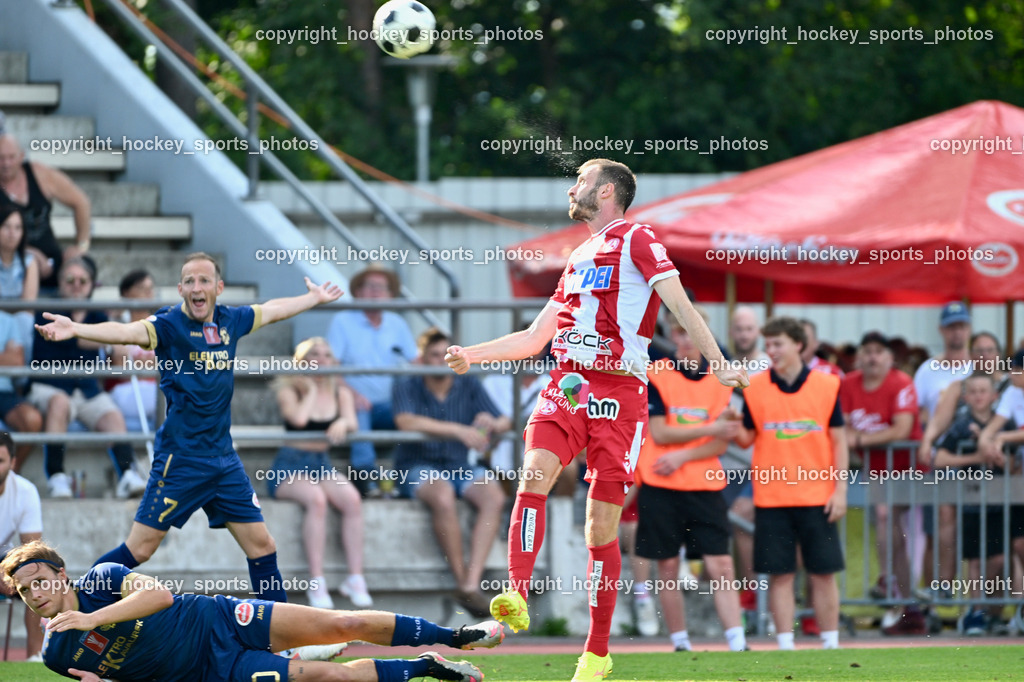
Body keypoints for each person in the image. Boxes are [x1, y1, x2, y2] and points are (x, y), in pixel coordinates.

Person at [445, 158, 747, 681]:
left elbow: (679, 305)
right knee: (533, 473)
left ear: (606, 191)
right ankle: (516, 590)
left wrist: (717, 362)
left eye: (580, 180)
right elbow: (534, 339)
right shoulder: (578, 254)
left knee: (598, 527)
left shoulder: (638, 238)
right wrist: (471, 354)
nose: (572, 187)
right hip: (568, 384)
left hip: (620, 392)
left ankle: (597, 651)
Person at [35, 252, 341, 605]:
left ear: (218, 287)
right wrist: (75, 328)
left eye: (205, 280)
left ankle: (283, 635)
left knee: (263, 546)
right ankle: (72, 607)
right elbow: (126, 331)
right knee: (140, 549)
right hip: (180, 460)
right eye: (190, 281)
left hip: (224, 460)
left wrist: (313, 298)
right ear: (181, 288)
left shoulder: (231, 320)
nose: (197, 287)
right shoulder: (168, 325)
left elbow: (273, 309)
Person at [2, 540, 501, 682]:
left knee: (342, 622)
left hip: (217, 618)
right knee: (327, 677)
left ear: (60, 576)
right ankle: (427, 667)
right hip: (211, 671)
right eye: (24, 592)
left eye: (40, 581)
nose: (36, 593)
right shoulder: (55, 655)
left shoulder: (102, 580)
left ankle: (455, 635)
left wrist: (91, 618)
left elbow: (159, 596)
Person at [634, 306, 747, 652]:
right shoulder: (657, 373)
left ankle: (737, 641)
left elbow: (721, 438)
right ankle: (680, 642)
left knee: (721, 564)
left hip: (703, 482)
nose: (683, 340)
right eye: (678, 333)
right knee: (667, 564)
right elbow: (660, 431)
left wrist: (685, 453)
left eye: (690, 333)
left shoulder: (721, 377)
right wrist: (708, 430)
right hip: (659, 482)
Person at [732, 317, 847, 651]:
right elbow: (746, 438)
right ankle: (785, 646)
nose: (771, 351)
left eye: (778, 344)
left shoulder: (827, 386)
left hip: (817, 495)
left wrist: (840, 490)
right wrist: (729, 425)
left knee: (823, 573)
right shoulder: (755, 386)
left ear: (798, 345)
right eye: (768, 345)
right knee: (779, 575)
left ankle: (831, 644)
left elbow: (839, 442)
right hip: (771, 497)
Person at [394, 327, 510, 618]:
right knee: (443, 495)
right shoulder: (407, 382)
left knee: (493, 497)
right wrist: (459, 430)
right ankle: (463, 582)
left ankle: (471, 584)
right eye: (434, 354)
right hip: (417, 465)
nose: (441, 360)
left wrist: (490, 424)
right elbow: (405, 422)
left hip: (460, 466)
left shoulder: (468, 383)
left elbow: (505, 419)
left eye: (446, 354)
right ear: (422, 358)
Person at [28, 257, 145, 499]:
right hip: (49, 385)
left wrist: (113, 344)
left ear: (92, 285)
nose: (76, 285)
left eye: (83, 280)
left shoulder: (98, 315)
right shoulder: (45, 312)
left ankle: (126, 474)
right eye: (70, 280)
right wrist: (104, 337)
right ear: (60, 283)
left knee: (112, 415)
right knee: (59, 402)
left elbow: (120, 357)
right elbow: (76, 339)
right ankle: (57, 476)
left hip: (87, 388)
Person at [269, 337, 372, 609]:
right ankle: (317, 583)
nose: (321, 359)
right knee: (316, 499)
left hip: (321, 463)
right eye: (314, 354)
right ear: (302, 360)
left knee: (352, 499)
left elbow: (352, 421)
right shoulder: (288, 389)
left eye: (327, 355)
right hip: (290, 465)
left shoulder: (341, 392)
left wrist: (341, 420)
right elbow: (299, 420)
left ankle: (355, 578)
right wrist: (312, 390)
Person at [839, 331, 925, 635]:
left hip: (908, 467)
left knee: (889, 519)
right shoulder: (849, 383)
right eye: (868, 351)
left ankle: (893, 584)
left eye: (879, 351)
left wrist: (862, 440)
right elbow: (843, 427)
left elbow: (902, 429)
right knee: (891, 529)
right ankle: (903, 597)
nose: (872, 357)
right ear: (860, 356)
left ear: (890, 357)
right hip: (876, 470)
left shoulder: (901, 382)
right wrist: (860, 440)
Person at [936, 371, 1020, 636]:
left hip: (998, 503)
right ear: (965, 397)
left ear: (995, 396)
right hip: (972, 502)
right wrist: (975, 457)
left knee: (997, 559)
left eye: (984, 391)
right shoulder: (961, 424)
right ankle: (976, 612)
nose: (979, 396)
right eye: (973, 392)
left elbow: (1015, 465)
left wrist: (999, 461)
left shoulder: (1005, 425)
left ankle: (993, 611)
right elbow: (940, 458)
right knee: (975, 561)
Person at [326, 264, 417, 497]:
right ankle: (365, 477)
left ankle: (409, 475)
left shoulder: (397, 323)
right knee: (359, 409)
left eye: (381, 287)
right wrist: (353, 395)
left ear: (390, 295)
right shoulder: (342, 321)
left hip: (389, 405)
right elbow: (329, 368)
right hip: (352, 402)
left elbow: (418, 362)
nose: (375, 292)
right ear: (357, 291)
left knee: (415, 412)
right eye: (369, 286)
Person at [914, 302, 973, 595]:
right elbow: (918, 413)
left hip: (974, 460)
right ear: (942, 330)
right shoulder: (927, 370)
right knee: (937, 524)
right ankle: (938, 590)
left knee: (976, 526)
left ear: (968, 329)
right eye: (951, 327)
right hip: (941, 458)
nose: (956, 333)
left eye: (961, 326)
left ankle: (981, 601)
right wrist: (932, 433)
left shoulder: (978, 368)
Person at [0, 134, 91, 290]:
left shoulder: (39, 174)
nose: (6, 163)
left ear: (21, 156)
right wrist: (28, 253)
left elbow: (81, 202)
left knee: (83, 269)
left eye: (11, 157)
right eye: (1, 158)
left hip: (52, 258)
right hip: (9, 261)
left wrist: (81, 246)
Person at [0, 431, 44, 660]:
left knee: (39, 576)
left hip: (5, 558)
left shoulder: (25, 491)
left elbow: (32, 549)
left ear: (13, 463)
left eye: (0, 461)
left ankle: (34, 658)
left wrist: (12, 575)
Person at [106, 269, 158, 432]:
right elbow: (122, 369)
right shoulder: (116, 324)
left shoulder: (161, 324)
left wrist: (140, 364)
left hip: (156, 389)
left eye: (151, 288)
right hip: (125, 390)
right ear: (126, 294)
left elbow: (170, 365)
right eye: (142, 288)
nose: (149, 293)